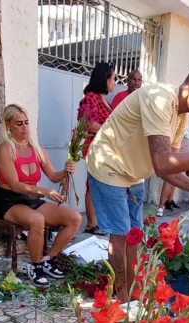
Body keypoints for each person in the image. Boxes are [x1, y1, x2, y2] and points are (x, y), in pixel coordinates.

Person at [86, 60, 189, 302]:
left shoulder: (182, 115)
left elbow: (167, 169)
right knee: (119, 235)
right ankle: (120, 297)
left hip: (133, 173)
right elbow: (163, 163)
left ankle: (132, 291)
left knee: (134, 234)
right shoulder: (160, 99)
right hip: (108, 165)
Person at [0, 104, 83, 286]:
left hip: (32, 200)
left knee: (74, 218)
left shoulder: (37, 148)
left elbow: (53, 176)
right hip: (10, 201)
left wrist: (66, 170)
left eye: (26, 122)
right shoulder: (5, 149)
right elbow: (15, 185)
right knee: (37, 220)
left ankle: (48, 260)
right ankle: (34, 267)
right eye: (19, 124)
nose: (24, 127)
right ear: (8, 125)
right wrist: (44, 191)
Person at [76, 62, 117, 236]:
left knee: (103, 184)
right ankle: (91, 224)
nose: (114, 82)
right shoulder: (91, 97)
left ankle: (100, 221)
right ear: (105, 79)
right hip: (95, 148)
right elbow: (87, 123)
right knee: (93, 185)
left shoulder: (104, 100)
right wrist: (109, 130)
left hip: (107, 149)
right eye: (113, 78)